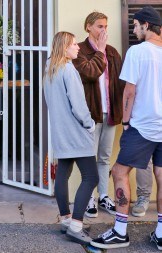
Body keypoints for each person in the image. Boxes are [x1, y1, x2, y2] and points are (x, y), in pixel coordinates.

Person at [91, 6, 162, 250]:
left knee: (119, 172)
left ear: (146, 25)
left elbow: (129, 90)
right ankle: (161, 234)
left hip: (142, 126)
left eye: (135, 25)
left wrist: (127, 121)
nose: (133, 29)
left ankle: (120, 231)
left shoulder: (137, 52)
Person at [43, 31, 98, 245]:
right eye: (74, 45)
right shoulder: (68, 70)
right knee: (91, 177)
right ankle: (76, 226)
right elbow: (79, 106)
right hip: (76, 132)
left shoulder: (49, 69)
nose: (78, 48)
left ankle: (66, 220)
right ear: (64, 48)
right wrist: (89, 123)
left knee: (63, 174)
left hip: (60, 132)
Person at [72, 11, 125, 218]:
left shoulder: (112, 52)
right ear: (88, 27)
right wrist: (100, 51)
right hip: (91, 114)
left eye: (105, 26)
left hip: (109, 113)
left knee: (104, 157)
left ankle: (103, 195)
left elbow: (120, 83)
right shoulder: (80, 50)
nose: (104, 30)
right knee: (89, 157)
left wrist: (122, 110)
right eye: (99, 26)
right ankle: (90, 198)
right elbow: (89, 74)